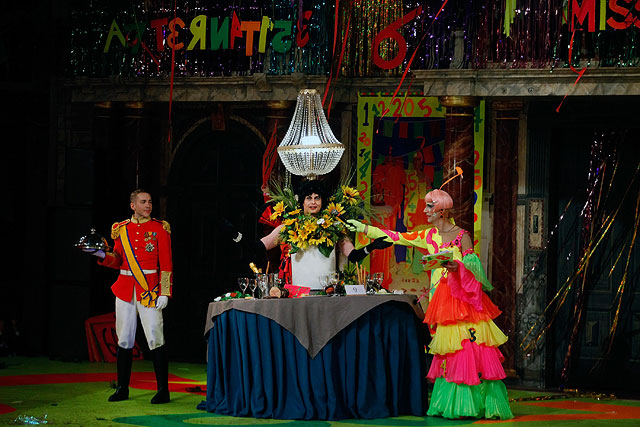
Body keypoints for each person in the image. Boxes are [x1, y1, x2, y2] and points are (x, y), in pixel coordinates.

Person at [346, 188, 514, 420]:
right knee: (447, 350)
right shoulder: (427, 236)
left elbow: (475, 270)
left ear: (442, 210)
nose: (424, 211)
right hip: (440, 300)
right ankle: (450, 403)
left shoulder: (462, 236)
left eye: (429, 206)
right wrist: (364, 228)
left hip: (462, 300)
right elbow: (397, 237)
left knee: (466, 349)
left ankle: (471, 403)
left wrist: (457, 267)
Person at [81, 189, 173, 404]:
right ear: (133, 205)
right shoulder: (121, 229)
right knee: (124, 338)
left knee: (155, 336)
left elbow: (167, 264)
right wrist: (101, 255)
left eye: (150, 202)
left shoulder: (160, 228)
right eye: (143, 202)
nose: (148, 205)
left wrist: (165, 292)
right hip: (125, 289)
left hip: (149, 290)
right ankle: (122, 388)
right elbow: (118, 260)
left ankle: (163, 390)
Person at [260, 180, 391, 291]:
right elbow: (261, 245)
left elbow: (353, 256)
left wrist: (372, 246)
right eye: (309, 198)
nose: (313, 202)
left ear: (322, 201)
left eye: (317, 198)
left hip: (327, 293)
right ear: (302, 202)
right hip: (298, 294)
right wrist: (245, 243)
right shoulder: (289, 226)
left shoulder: (334, 226)